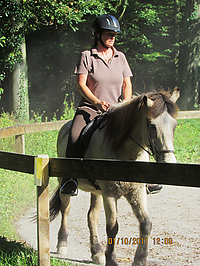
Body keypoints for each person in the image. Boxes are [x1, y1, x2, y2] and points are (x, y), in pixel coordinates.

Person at [60, 14, 162, 196]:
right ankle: (71, 178)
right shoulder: (87, 56)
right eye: (109, 34)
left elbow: (127, 83)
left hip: (117, 110)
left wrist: (126, 103)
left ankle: (146, 179)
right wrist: (97, 102)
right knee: (75, 136)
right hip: (90, 108)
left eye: (114, 34)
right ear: (98, 35)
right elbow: (81, 84)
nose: (113, 37)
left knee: (140, 133)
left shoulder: (120, 57)